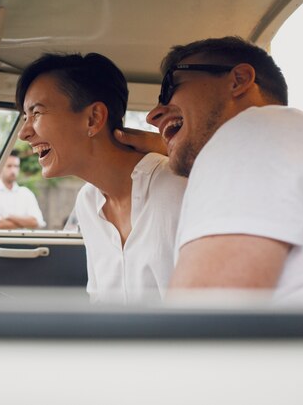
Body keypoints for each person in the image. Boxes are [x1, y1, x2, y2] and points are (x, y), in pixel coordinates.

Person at [115, 36, 303, 304]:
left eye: (170, 87)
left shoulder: (248, 133)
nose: (153, 115)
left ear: (238, 80)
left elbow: (206, 322)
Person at [17, 53, 187, 304]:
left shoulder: (175, 187)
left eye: (37, 113)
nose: (24, 132)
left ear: (94, 118)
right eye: (24, 117)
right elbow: (100, 304)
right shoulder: (87, 202)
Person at [0, 150, 46, 230]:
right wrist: (25, 222)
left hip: (23, 242)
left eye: (16, 166)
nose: (13, 170)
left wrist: (9, 216)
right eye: (9, 166)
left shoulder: (26, 193)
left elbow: (37, 222)